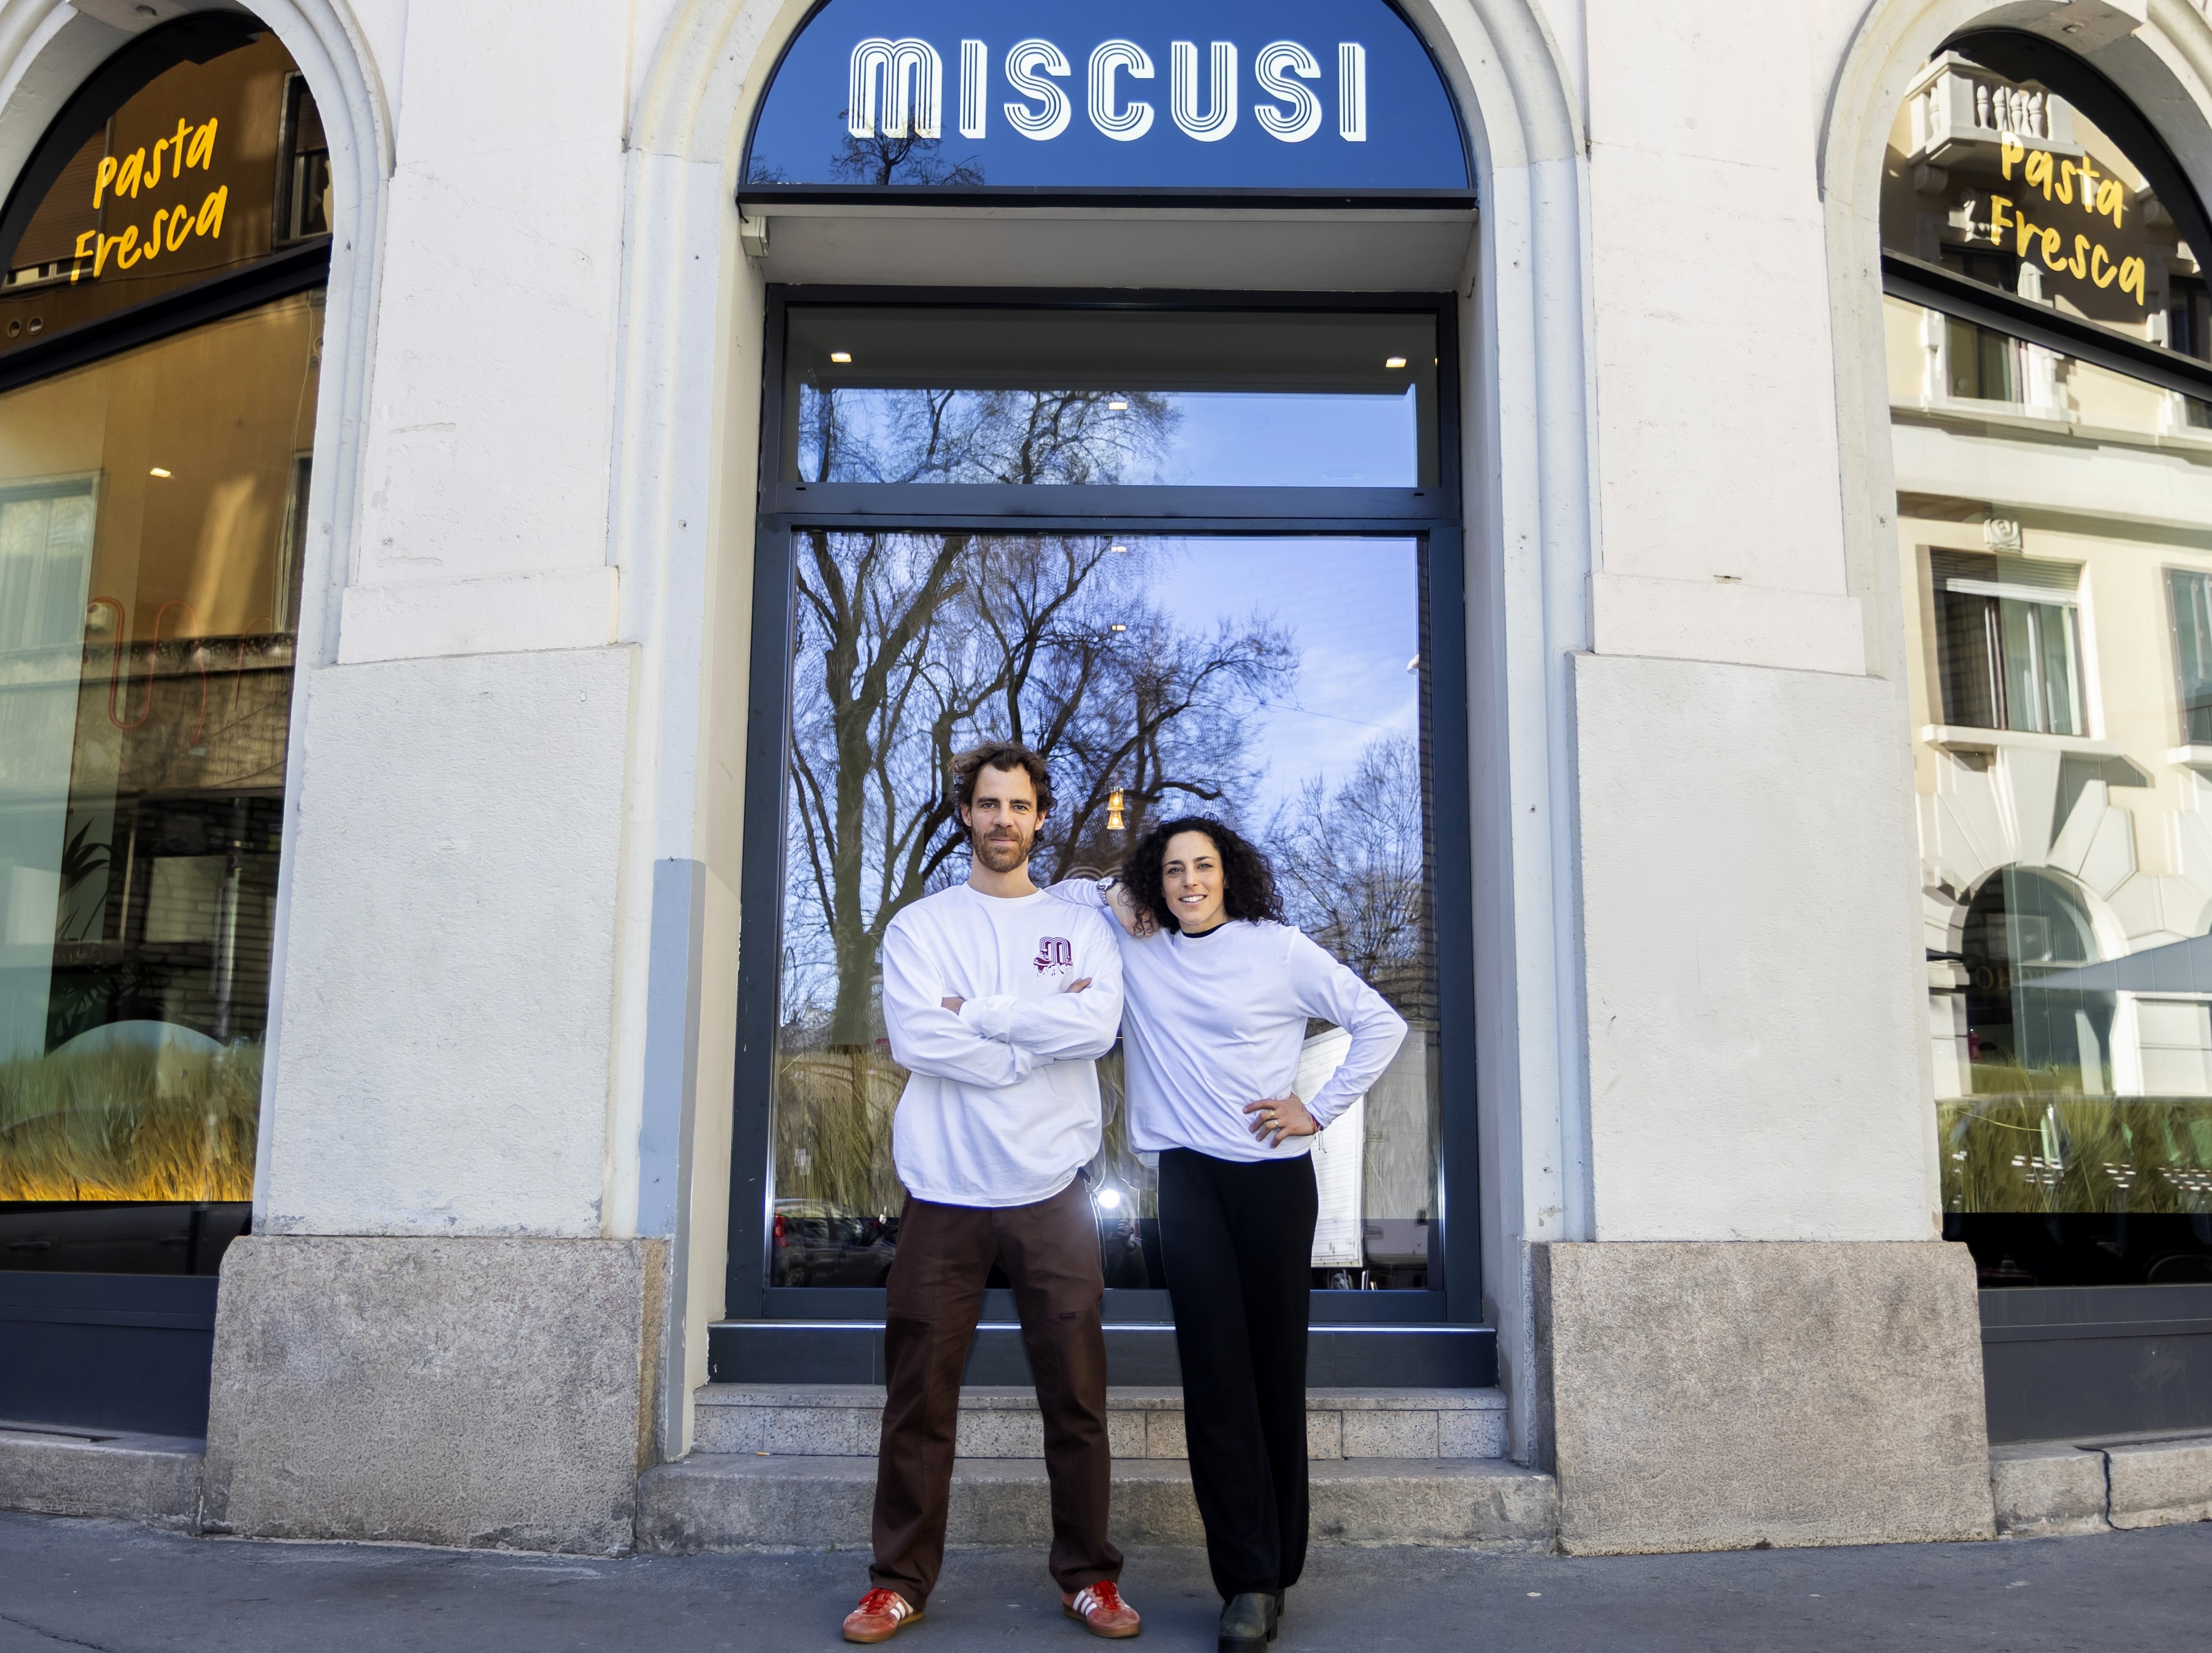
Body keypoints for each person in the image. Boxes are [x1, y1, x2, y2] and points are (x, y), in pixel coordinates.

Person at [1046, 818, 1406, 1651]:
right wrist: (1117, 894)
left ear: (1229, 873)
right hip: (1189, 1182)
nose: (1189, 882)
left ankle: (1279, 1565)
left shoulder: (1278, 949)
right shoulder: (1139, 944)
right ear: (1158, 880)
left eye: (1202, 865)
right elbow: (1059, 896)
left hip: (1273, 1180)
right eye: (1172, 869)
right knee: (1214, 1377)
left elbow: (1380, 1023)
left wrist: (1317, 1108)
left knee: (1274, 1371)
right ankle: (1246, 1579)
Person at [841, 741, 1142, 1645]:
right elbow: (917, 1040)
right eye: (988, 805)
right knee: (918, 1404)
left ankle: (1089, 1576)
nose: (1003, 820)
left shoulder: (1083, 926)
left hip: (1053, 1194)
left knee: (1077, 1401)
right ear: (965, 814)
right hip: (944, 1194)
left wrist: (978, 1016)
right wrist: (1027, 1047)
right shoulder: (921, 927)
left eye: (1019, 806)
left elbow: (1096, 1027)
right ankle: (897, 1584)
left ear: (1041, 818)